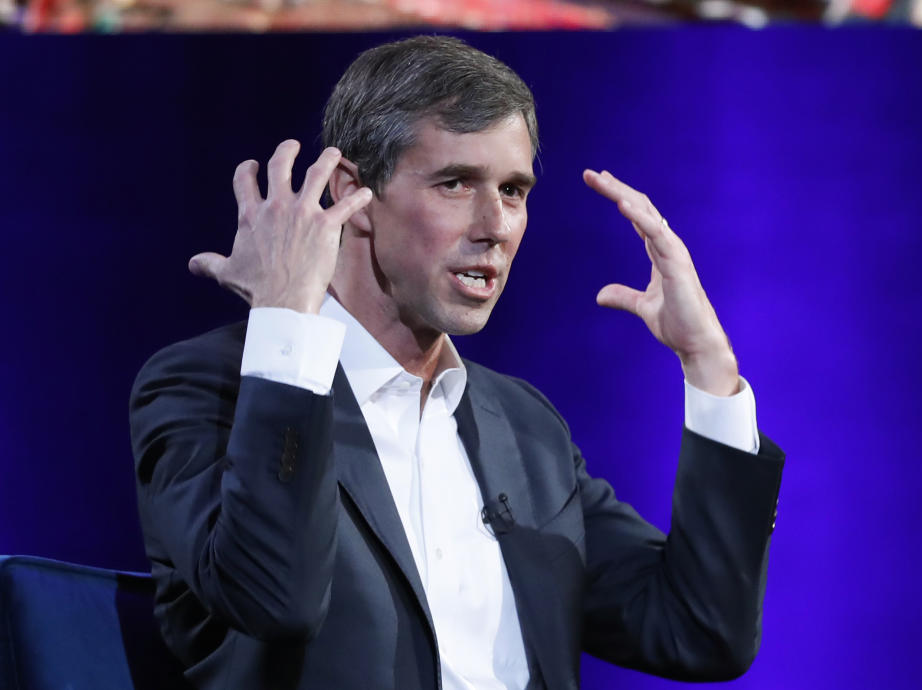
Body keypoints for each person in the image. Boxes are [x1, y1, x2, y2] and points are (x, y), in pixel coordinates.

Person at [129, 35, 784, 690]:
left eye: (515, 190)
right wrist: (287, 326)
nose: (495, 224)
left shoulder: (524, 429)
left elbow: (700, 631)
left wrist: (708, 367)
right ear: (353, 195)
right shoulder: (211, 388)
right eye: (455, 184)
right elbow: (274, 599)